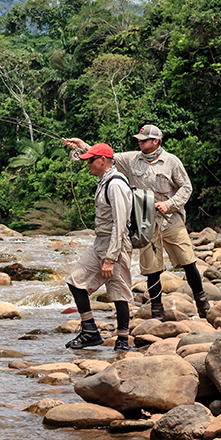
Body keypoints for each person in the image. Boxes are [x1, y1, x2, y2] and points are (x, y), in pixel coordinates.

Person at [63, 126, 209, 320]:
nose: (140, 143)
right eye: (139, 140)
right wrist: (83, 147)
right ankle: (157, 311)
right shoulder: (131, 159)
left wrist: (169, 204)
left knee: (188, 261)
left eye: (144, 140)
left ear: (156, 141)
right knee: (152, 269)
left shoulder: (172, 161)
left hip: (171, 220)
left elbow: (186, 187)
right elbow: (103, 159)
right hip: (144, 222)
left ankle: (202, 303)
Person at [62, 142, 134, 352]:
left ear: (103, 161)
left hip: (117, 244)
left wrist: (111, 258)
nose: (87, 165)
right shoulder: (104, 180)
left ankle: (122, 340)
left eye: (91, 160)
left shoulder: (116, 184)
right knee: (75, 281)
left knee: (119, 292)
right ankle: (90, 332)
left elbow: (121, 224)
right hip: (100, 242)